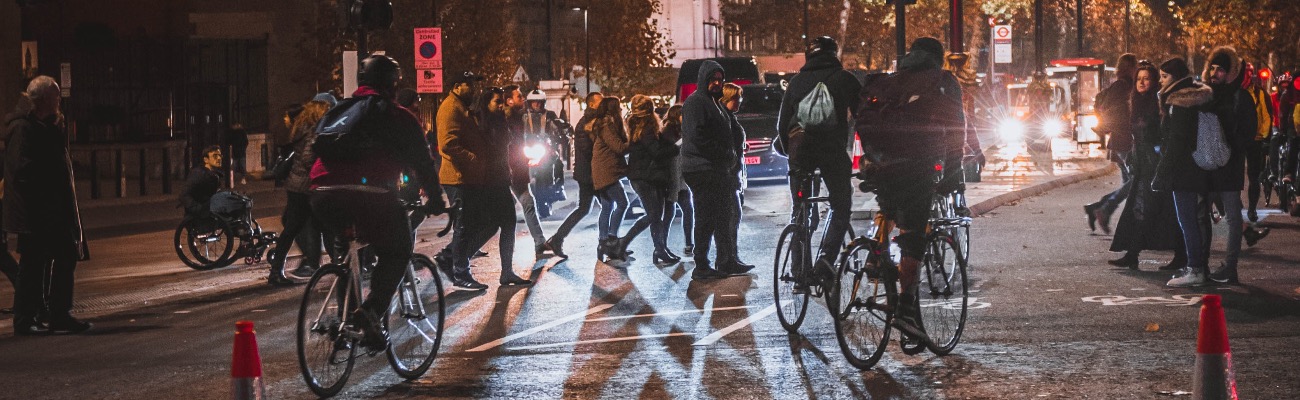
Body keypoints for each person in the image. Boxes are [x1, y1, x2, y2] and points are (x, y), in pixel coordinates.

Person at [308, 54, 446, 350]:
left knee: (347, 254)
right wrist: (435, 199)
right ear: (393, 84)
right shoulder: (397, 116)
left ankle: (348, 327)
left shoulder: (341, 110)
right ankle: (370, 313)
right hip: (367, 193)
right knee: (398, 248)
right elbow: (423, 163)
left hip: (321, 193)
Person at [855, 37, 965, 338]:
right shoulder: (943, 81)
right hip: (917, 166)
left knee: (889, 209)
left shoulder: (890, 81)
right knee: (914, 236)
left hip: (880, 162)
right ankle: (905, 310)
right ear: (938, 58)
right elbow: (958, 128)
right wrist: (954, 174)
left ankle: (875, 254)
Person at [5, 76, 91, 335]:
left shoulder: (48, 125)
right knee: (34, 264)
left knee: (62, 257)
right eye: (55, 96)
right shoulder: (23, 128)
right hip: (36, 212)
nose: (59, 101)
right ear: (42, 99)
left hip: (52, 210)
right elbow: (21, 169)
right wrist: (49, 183)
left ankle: (56, 313)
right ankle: (27, 318)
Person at [775, 36, 862, 281]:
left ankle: (798, 273)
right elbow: (862, 116)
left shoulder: (796, 82)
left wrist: (788, 152)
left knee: (799, 209)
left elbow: (782, 124)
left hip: (800, 151)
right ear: (834, 54)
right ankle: (825, 261)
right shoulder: (844, 78)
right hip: (831, 150)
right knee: (840, 204)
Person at [1106, 61, 1186, 270]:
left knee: (1161, 210)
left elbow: (1163, 134)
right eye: (1138, 78)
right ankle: (1133, 253)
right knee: (1139, 208)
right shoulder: (1135, 101)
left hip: (1156, 163)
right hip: (1142, 163)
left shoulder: (1159, 102)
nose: (1141, 82)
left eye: (1146, 78)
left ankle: (1180, 254)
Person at [681, 60, 753, 279]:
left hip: (716, 168)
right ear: (704, 79)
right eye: (713, 79)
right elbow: (698, 137)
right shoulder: (696, 102)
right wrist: (725, 153)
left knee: (723, 215)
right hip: (701, 168)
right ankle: (701, 264)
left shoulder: (714, 103)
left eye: (720, 80)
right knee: (706, 217)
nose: (717, 83)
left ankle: (726, 261)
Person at [453, 87, 531, 286]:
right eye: (497, 101)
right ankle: (459, 262)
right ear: (486, 103)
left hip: (500, 179)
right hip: (489, 181)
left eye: (502, 101)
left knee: (503, 224)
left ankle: (503, 270)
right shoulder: (481, 124)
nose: (501, 105)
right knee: (493, 224)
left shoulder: (500, 121)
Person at [1150, 57, 1216, 288]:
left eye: (1164, 76)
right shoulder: (1197, 97)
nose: (1160, 81)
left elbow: (1176, 141)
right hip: (1200, 166)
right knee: (1198, 219)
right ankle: (1199, 266)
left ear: (1175, 78)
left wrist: (1162, 172)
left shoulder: (1179, 103)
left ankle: (1195, 268)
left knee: (1187, 219)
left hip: (1185, 170)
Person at [1195, 47, 1258, 286]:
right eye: (1212, 67)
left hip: (1229, 166)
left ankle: (1230, 267)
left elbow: (1249, 132)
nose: (1215, 73)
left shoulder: (1240, 97)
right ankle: (1200, 262)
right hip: (1207, 165)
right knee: (1201, 214)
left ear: (1230, 72)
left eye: (1220, 69)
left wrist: (1230, 148)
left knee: (1232, 217)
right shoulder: (1205, 95)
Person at [265, 94, 334, 286]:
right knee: (328, 225)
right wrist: (324, 170)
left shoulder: (302, 127)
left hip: (297, 186)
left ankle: (278, 270)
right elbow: (308, 157)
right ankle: (334, 265)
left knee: (292, 229)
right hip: (308, 186)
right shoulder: (314, 129)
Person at [432, 71, 490, 290]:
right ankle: (460, 273)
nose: (473, 90)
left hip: (466, 177)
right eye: (469, 85)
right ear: (457, 86)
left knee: (478, 223)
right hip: (457, 177)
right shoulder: (450, 107)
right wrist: (473, 158)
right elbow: (447, 144)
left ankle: (450, 257)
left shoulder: (461, 107)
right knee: (465, 226)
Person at [610, 95, 680, 264]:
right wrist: (676, 147)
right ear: (649, 109)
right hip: (644, 176)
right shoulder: (647, 127)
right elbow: (655, 152)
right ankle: (623, 243)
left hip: (644, 175)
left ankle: (660, 250)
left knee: (656, 215)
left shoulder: (637, 125)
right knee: (654, 214)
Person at [542, 92, 603, 258]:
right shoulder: (585, 124)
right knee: (594, 207)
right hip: (588, 175)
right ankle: (607, 242)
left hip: (590, 173)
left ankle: (608, 241)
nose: (603, 104)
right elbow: (590, 150)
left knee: (597, 207)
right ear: (592, 104)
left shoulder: (593, 122)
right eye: (600, 102)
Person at [1085, 54, 1138, 234]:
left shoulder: (1123, 85)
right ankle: (1105, 209)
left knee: (1130, 185)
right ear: (1130, 67)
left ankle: (1099, 209)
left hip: (1122, 139)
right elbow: (1109, 109)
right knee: (1135, 182)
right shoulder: (1123, 86)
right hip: (1124, 140)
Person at [503, 86, 549, 258]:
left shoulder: (519, 118)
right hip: (505, 172)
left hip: (516, 170)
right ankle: (454, 252)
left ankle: (540, 242)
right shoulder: (504, 120)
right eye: (519, 96)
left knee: (528, 203)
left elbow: (521, 143)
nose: (522, 99)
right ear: (509, 100)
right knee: (494, 218)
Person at [589, 97, 632, 262]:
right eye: (619, 107)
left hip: (603, 170)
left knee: (607, 206)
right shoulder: (607, 125)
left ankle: (603, 242)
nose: (621, 110)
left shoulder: (605, 124)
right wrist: (636, 141)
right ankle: (612, 240)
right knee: (622, 203)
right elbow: (619, 148)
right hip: (606, 172)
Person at [661, 105, 695, 257]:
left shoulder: (682, 128)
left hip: (682, 176)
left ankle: (689, 243)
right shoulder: (668, 130)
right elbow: (671, 148)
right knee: (669, 213)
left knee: (687, 209)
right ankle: (661, 246)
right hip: (672, 176)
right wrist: (685, 138)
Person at [180, 145, 226, 218]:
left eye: (220, 155)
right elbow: (184, 195)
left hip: (209, 208)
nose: (219, 158)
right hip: (199, 214)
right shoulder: (198, 174)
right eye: (215, 156)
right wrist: (198, 209)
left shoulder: (214, 174)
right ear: (206, 160)